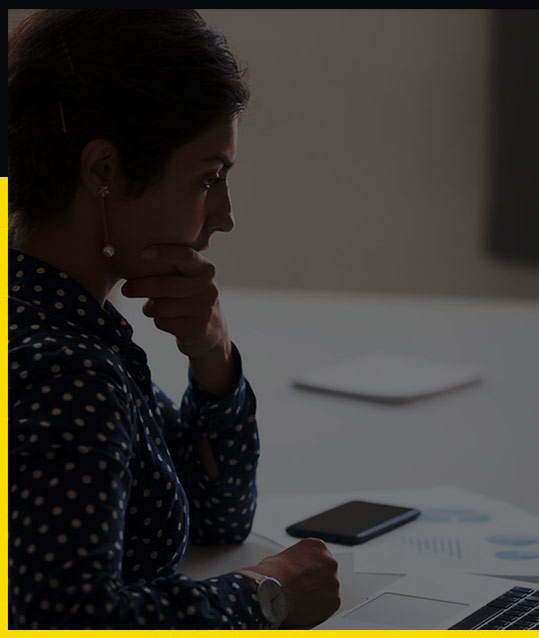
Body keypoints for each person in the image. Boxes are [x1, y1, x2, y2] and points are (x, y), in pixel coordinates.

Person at [8, 9, 340, 630]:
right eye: (208, 178)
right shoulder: (66, 372)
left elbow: (215, 517)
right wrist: (266, 597)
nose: (224, 216)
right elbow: (68, 618)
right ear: (103, 170)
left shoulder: (51, 313)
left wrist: (212, 355)